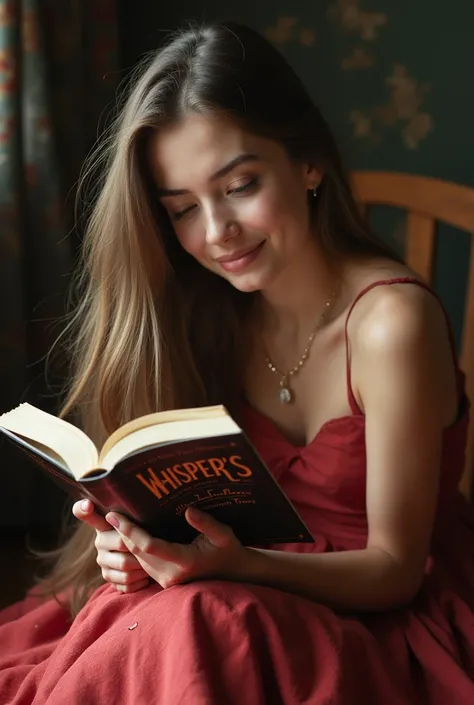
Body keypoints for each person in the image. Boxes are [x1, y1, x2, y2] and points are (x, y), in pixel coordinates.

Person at [1, 19, 473, 705]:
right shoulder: (207, 313)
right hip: (231, 591)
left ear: (308, 161)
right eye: (182, 208)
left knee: (197, 623)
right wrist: (138, 552)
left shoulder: (391, 325)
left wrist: (238, 567)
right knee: (162, 622)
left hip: (385, 611)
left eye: (240, 184)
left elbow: (397, 570)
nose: (217, 234)